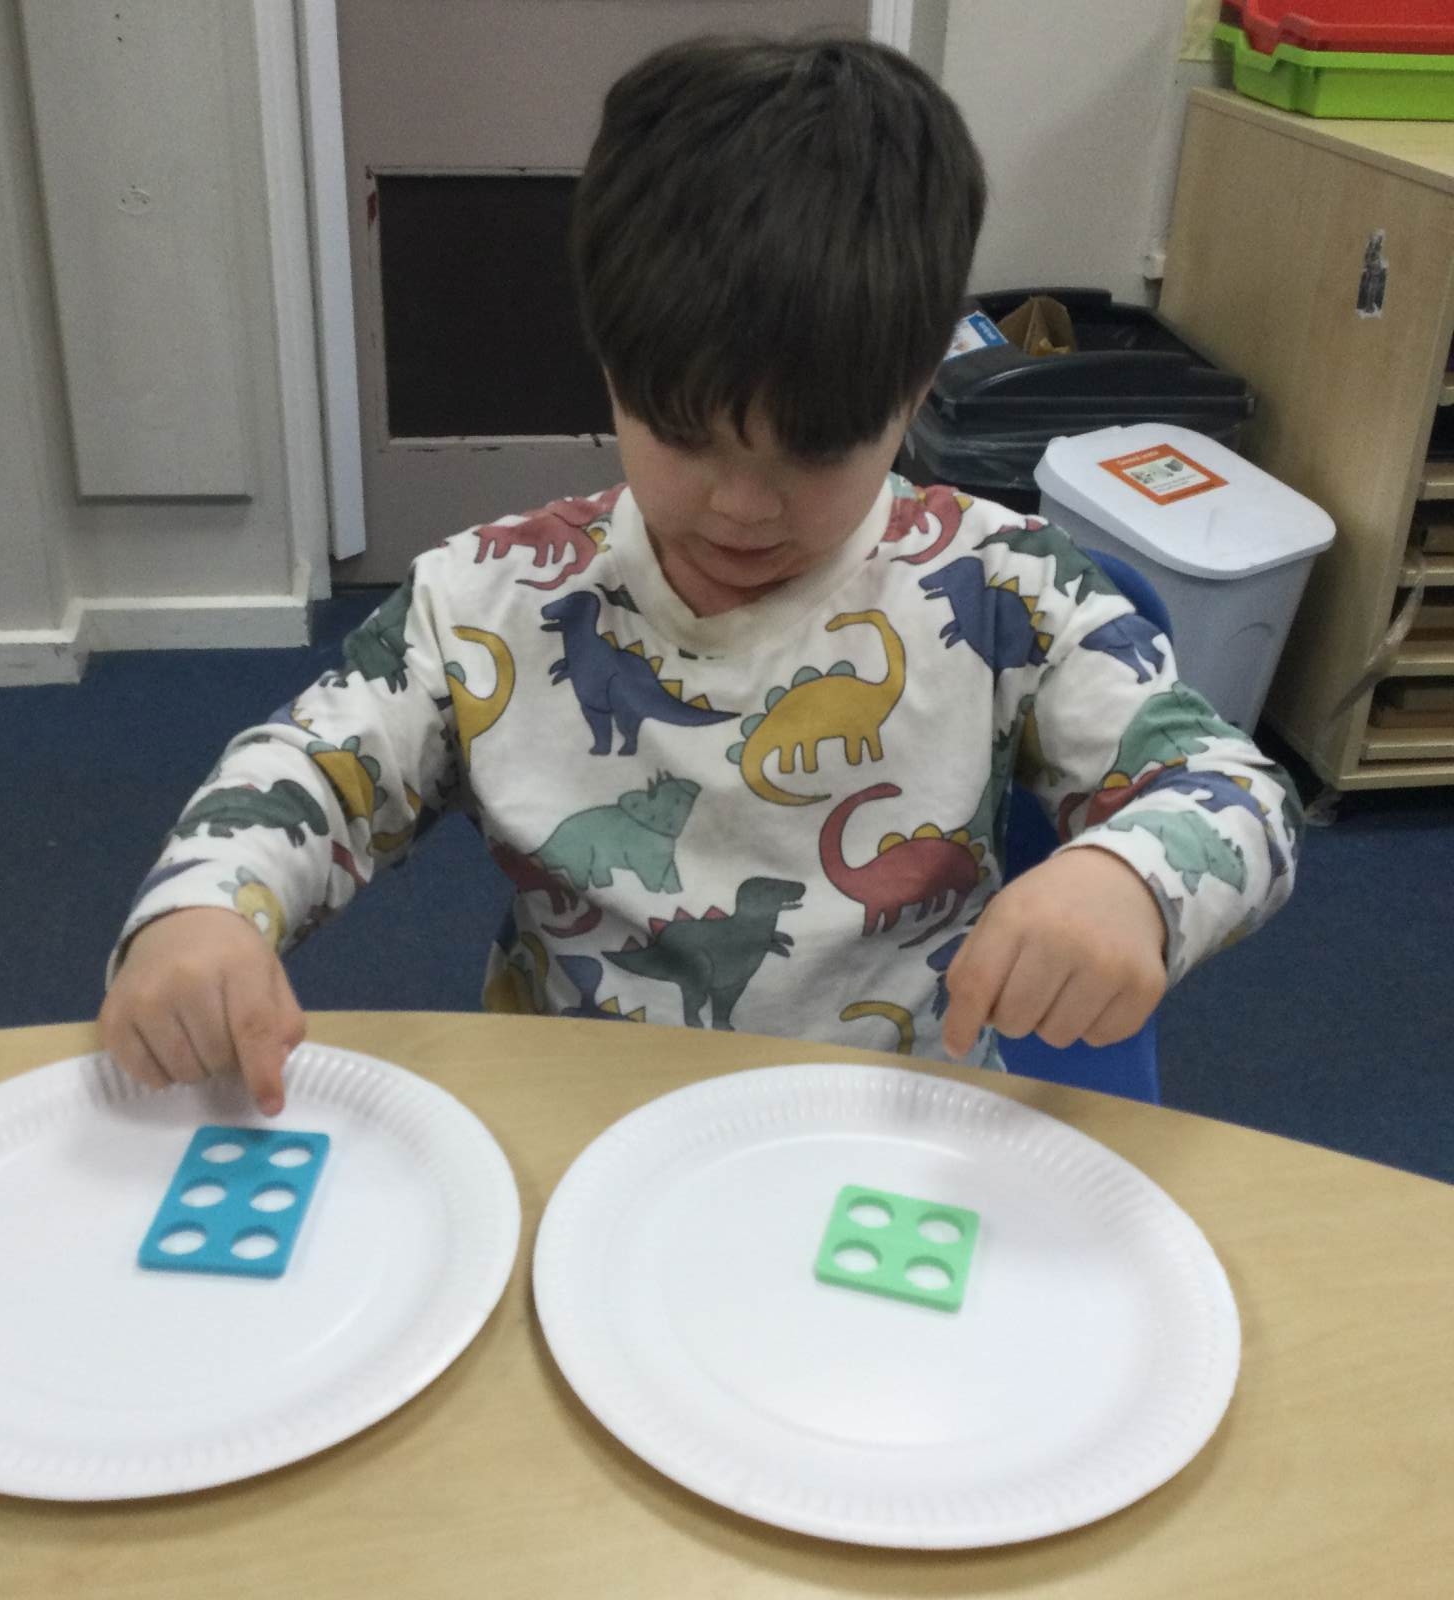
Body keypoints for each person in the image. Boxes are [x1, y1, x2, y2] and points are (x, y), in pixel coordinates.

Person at [100, 35, 1299, 1116]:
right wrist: (202, 908)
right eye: (684, 436)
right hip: (580, 1130)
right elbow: (306, 769)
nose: (741, 505)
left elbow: (1235, 791)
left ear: (912, 390)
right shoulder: (487, 601)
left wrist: (1129, 876)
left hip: (882, 1138)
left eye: (814, 451)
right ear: (612, 370)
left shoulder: (1009, 591)